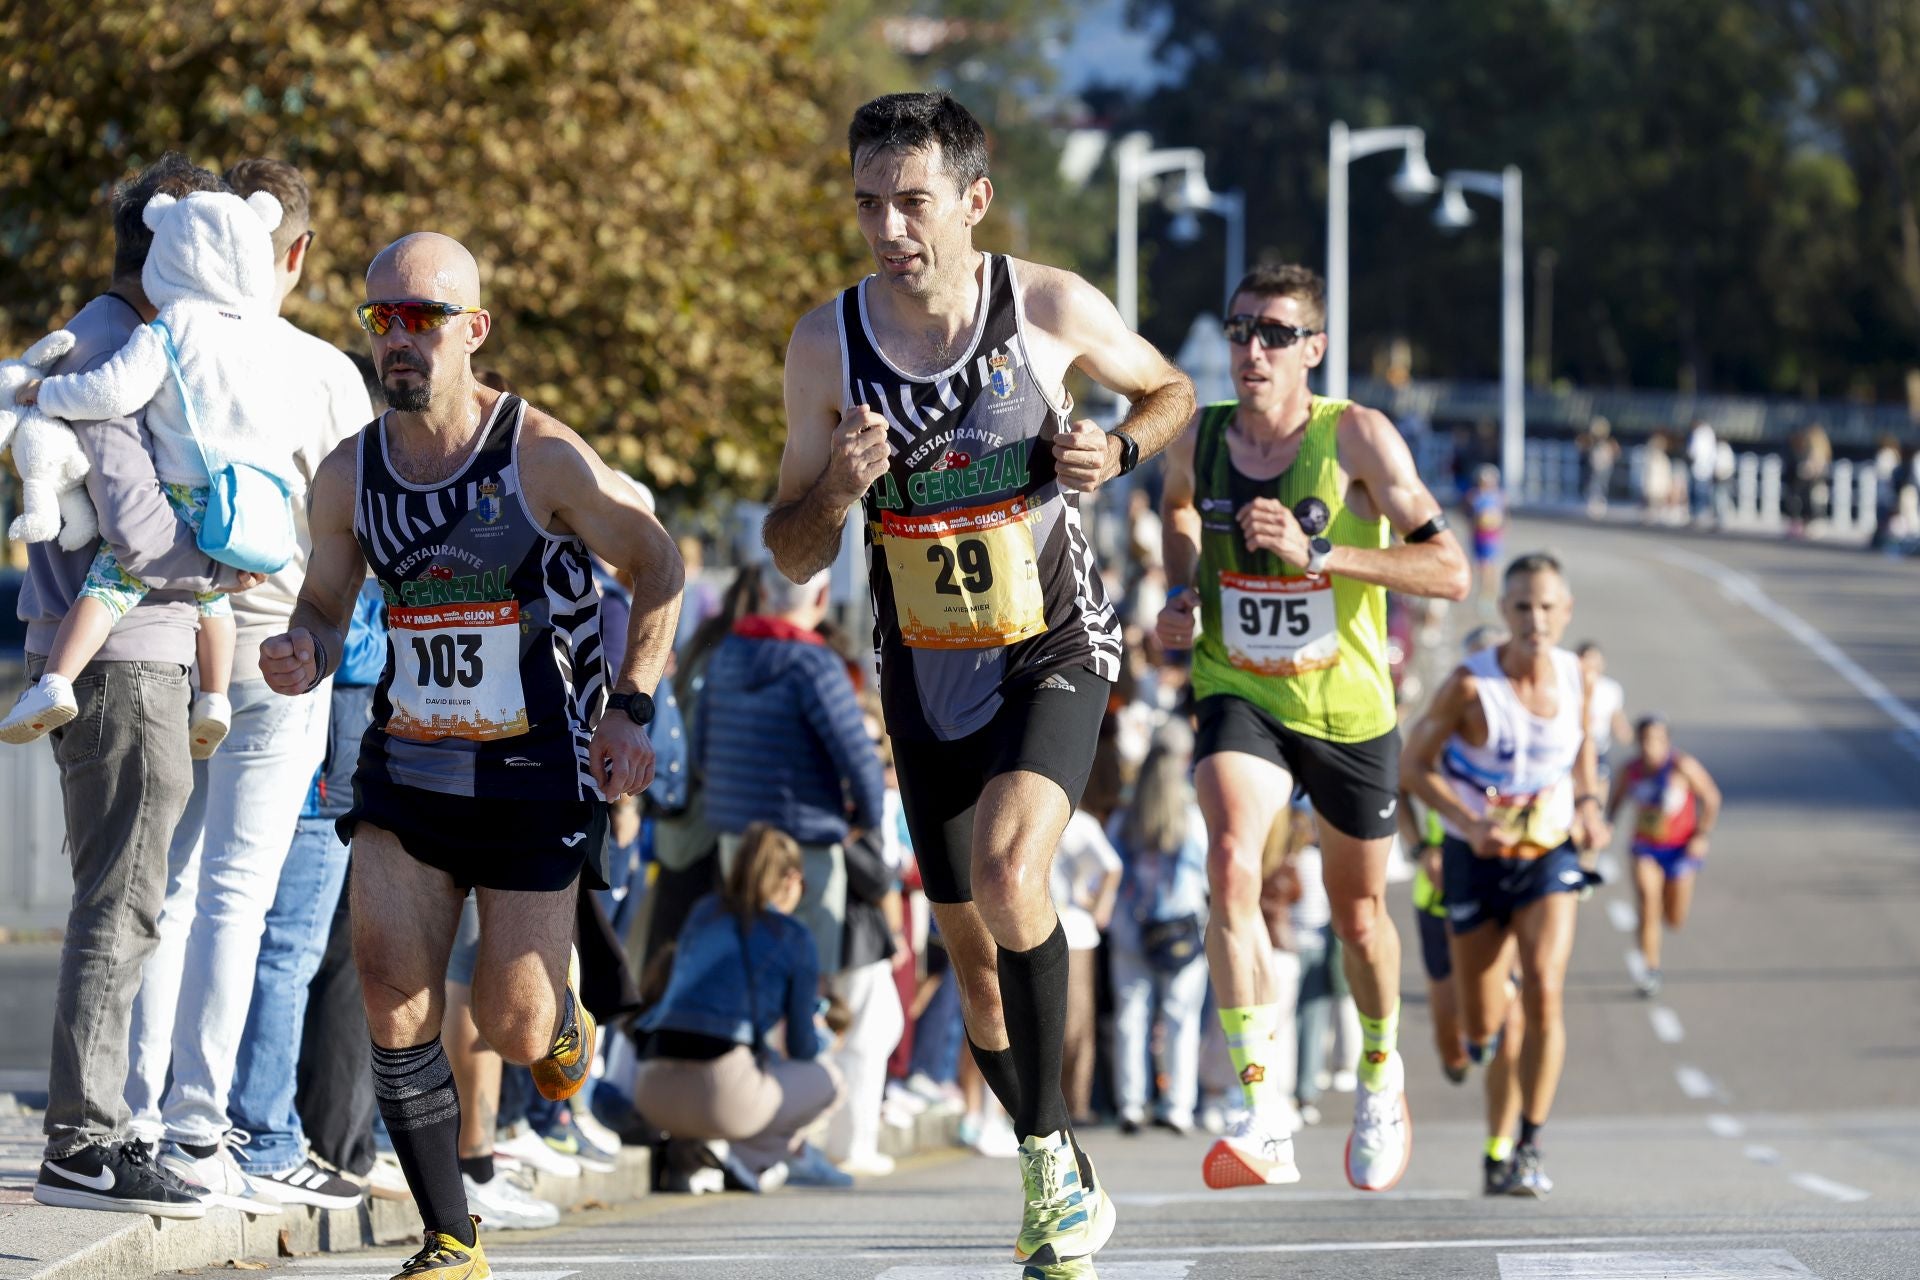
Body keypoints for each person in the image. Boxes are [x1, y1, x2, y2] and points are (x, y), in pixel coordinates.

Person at [765, 91, 1194, 1268]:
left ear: (972, 200)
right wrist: (840, 490)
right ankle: (1052, 1147)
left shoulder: (1045, 306)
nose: (889, 228)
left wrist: (1119, 446)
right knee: (975, 968)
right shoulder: (826, 345)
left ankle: (1051, 1167)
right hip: (924, 670)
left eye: (912, 201)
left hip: (1052, 645)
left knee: (1015, 872)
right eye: (868, 205)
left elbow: (1172, 389)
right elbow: (789, 549)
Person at [259, 232, 683, 1280]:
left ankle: (567, 1020)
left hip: (538, 773)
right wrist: (303, 647)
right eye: (382, 319)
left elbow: (659, 559)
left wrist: (632, 705)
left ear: (474, 330)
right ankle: (452, 1236)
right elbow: (325, 599)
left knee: (514, 1020)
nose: (399, 338)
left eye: (423, 317)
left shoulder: (539, 454)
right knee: (390, 985)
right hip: (411, 765)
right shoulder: (349, 473)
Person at [1156, 262, 1469, 1193]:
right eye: (1242, 329)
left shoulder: (1358, 437)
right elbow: (1177, 506)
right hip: (1237, 687)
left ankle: (1380, 1071)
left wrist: (1320, 551)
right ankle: (1262, 1109)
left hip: (1346, 708)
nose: (1252, 349)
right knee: (1228, 867)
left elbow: (1448, 569)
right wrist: (1182, 590)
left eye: (1275, 334)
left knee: (1359, 915)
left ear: (1313, 350)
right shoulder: (1202, 436)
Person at [121, 157, 374, 1214]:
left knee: (164, 890)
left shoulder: (159, 341)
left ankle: (137, 1118)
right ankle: (201, 1121)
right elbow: (358, 521)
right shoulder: (319, 368)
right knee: (240, 888)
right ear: (293, 251)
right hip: (285, 644)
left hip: (166, 630)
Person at [22, 153, 265, 1220]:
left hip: (140, 651)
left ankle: (95, 1130)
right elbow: (139, 527)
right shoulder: (123, 347)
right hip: (126, 658)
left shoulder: (121, 337)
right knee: (123, 900)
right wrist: (235, 564)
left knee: (125, 898)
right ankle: (86, 1136)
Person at [2, 186, 296, 753]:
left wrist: (50, 393)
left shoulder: (175, 324)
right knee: (215, 601)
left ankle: (54, 682)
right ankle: (214, 698)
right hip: (248, 499)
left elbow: (111, 391)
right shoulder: (263, 333)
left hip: (185, 489)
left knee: (109, 585)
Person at [1400, 552, 1609, 1198]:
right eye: (1522, 606)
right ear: (1504, 611)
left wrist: (1589, 805)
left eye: (1548, 607)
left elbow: (1581, 755)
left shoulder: (1579, 679)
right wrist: (1470, 820)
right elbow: (1412, 768)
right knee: (1486, 1027)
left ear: (1566, 612)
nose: (1535, 619)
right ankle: (1493, 1057)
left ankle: (1527, 1143)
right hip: (1476, 860)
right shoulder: (1470, 685)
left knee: (1546, 988)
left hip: (1547, 856)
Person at [694, 558, 884, 978]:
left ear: (763, 594)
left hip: (737, 843)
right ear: (822, 598)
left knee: (745, 974)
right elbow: (860, 759)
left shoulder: (725, 656)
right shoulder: (815, 666)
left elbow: (700, 752)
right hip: (805, 847)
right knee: (807, 981)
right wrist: (865, 820)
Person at [631, 823, 847, 1190]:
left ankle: (693, 1158)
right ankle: (748, 1161)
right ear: (793, 879)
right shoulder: (794, 936)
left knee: (753, 1066)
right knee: (831, 1082)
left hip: (650, 1086)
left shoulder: (704, 911)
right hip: (722, 1094)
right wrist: (826, 1038)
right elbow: (802, 1046)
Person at [1107, 723, 1210, 1136]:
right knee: (1181, 1017)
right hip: (1181, 930)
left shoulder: (1127, 813)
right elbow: (1205, 873)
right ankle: (1178, 1105)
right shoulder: (1192, 814)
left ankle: (1131, 1103)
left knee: (1131, 1015)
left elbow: (1112, 867)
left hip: (1132, 925)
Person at [1609, 716, 1721, 999]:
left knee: (1674, 918)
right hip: (1645, 847)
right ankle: (1651, 969)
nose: (1651, 746)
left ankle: (1656, 930)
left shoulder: (1682, 766)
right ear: (1638, 741)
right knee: (1647, 902)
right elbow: (1616, 802)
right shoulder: (1631, 771)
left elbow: (1711, 798)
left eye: (1657, 740)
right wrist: (1606, 825)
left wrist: (1701, 835)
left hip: (1679, 850)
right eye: (1646, 740)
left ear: (1667, 742)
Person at [1052, 734, 1123, 1127]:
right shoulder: (1053, 817)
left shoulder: (1081, 822)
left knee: (1076, 1022)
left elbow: (1111, 867)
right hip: (1049, 927)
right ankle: (1059, 1104)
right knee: (1054, 1021)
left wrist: (1098, 907)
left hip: (1076, 931)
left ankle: (1076, 1103)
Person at [1574, 641, 1631, 788]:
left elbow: (1616, 716)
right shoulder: (1569, 686)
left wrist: (1624, 731)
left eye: (1595, 659)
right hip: (1574, 749)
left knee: (1598, 791)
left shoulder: (1611, 689)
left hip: (1598, 750)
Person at [1465, 465, 1506, 611]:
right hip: (1479, 536)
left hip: (1491, 536)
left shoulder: (1497, 496)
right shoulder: (1475, 496)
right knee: (1481, 567)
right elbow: (1470, 516)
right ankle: (1483, 594)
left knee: (1490, 568)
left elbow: (1502, 517)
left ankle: (1489, 596)